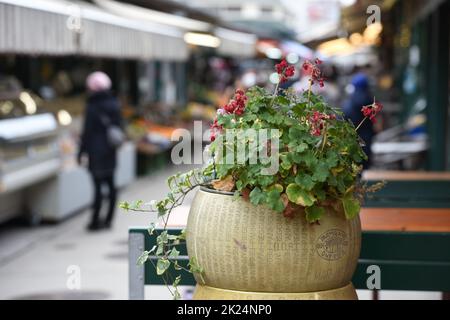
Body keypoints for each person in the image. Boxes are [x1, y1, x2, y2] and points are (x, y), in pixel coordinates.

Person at [78, 71, 122, 231]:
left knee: (97, 187)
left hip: (95, 151)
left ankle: (95, 220)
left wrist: (81, 152)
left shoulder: (91, 106)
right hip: (110, 150)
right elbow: (120, 127)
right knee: (111, 185)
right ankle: (109, 219)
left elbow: (86, 133)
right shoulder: (114, 103)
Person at [343, 72, 374, 169]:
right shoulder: (369, 99)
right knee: (363, 163)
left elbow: (344, 116)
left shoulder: (350, 100)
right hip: (366, 137)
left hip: (351, 136)